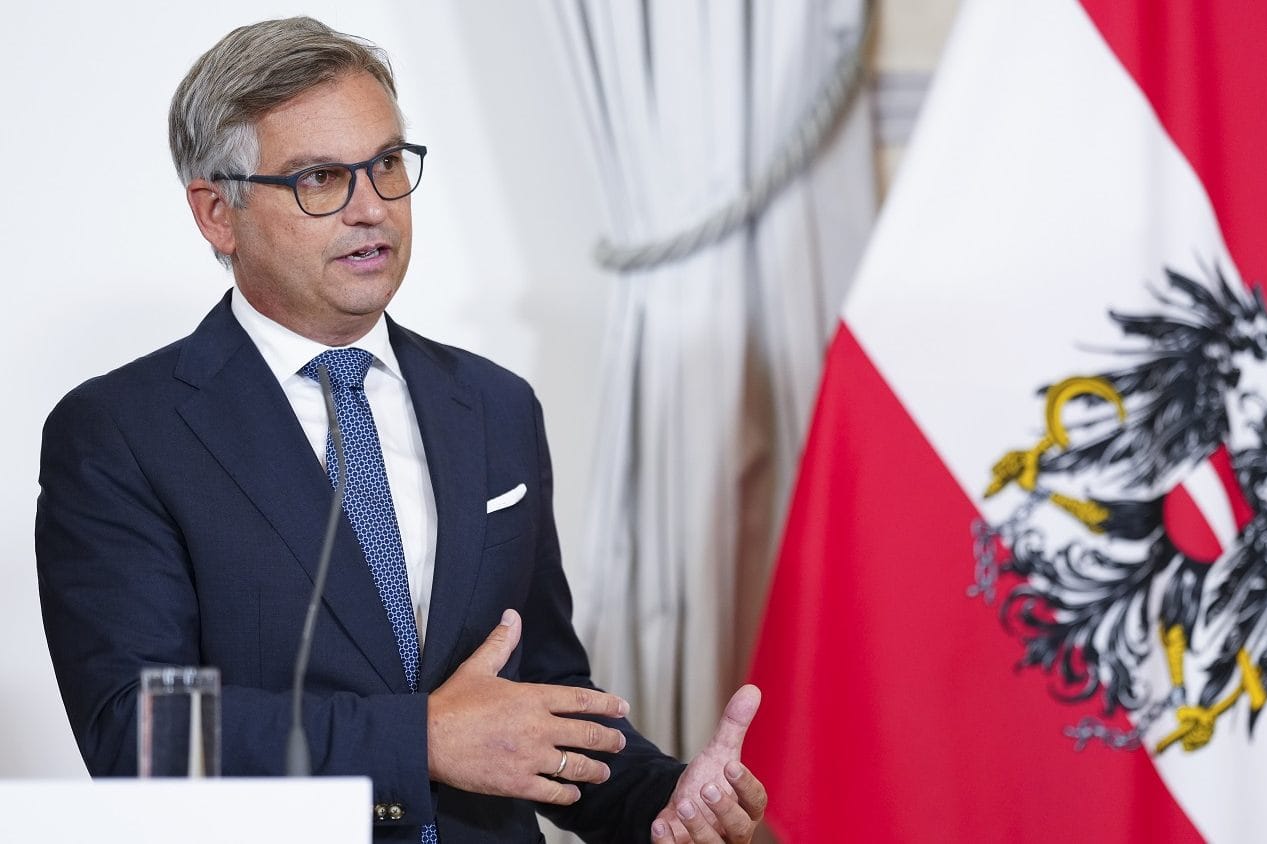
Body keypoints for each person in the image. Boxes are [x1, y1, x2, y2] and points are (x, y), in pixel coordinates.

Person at [36, 17, 766, 844]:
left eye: (386, 165)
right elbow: (142, 733)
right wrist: (421, 740)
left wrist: (658, 799)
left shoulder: (495, 405)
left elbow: (536, 689)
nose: (371, 209)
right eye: (320, 179)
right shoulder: (121, 433)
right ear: (216, 212)